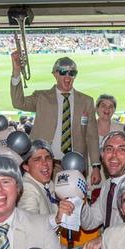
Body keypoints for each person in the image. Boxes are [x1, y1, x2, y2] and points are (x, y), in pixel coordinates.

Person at [10, 53, 101, 185]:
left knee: (73, 203)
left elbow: (92, 136)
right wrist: (16, 72)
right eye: (63, 72)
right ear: (55, 74)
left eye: (72, 73)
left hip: (74, 164)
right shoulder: (42, 97)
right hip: (45, 163)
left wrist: (96, 166)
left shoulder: (86, 101)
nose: (68, 76)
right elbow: (18, 102)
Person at [79, 131, 125, 249]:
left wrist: (103, 239)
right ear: (102, 155)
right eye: (109, 149)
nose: (114, 155)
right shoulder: (108, 185)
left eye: (122, 150)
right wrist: (79, 200)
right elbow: (91, 222)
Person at [17, 139, 72, 232]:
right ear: (26, 166)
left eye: (48, 158)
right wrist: (56, 219)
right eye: (37, 160)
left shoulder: (49, 183)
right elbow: (30, 225)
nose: (45, 163)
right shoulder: (27, 188)